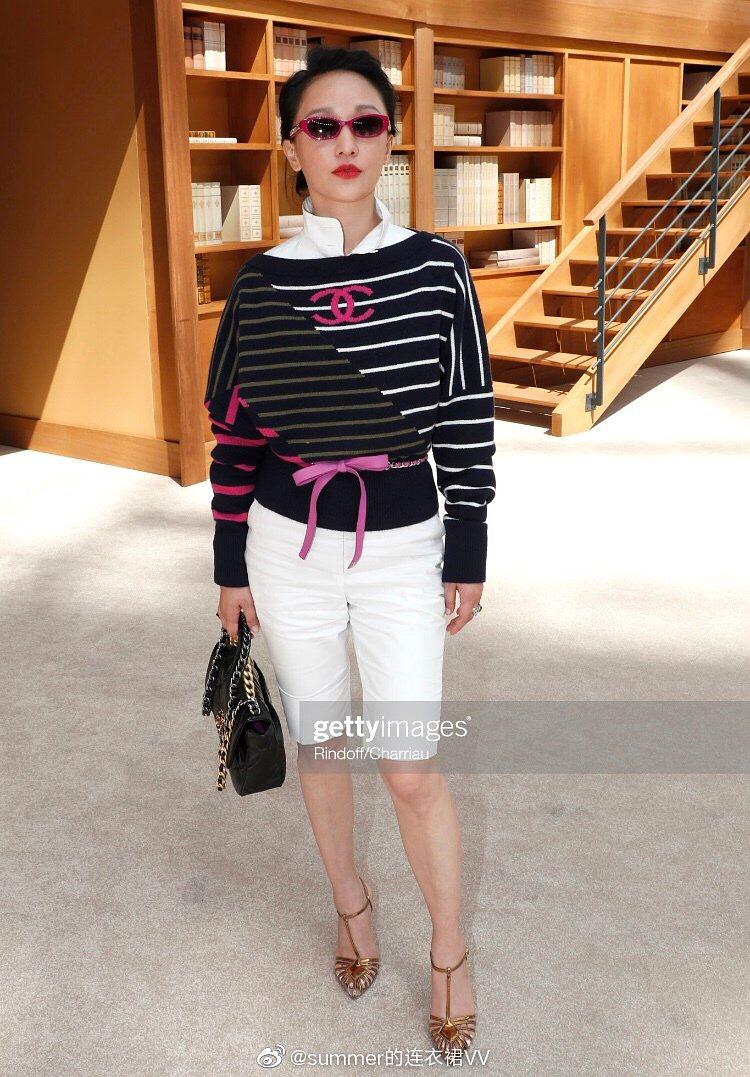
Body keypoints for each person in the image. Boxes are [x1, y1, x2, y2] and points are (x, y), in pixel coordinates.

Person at [204, 44, 496, 1056]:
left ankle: (449, 949)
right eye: (320, 125)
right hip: (286, 548)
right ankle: (352, 905)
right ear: (292, 147)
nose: (344, 141)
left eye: (365, 122)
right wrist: (230, 566)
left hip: (403, 545)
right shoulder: (260, 285)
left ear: (389, 141)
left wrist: (469, 542)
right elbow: (236, 439)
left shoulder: (436, 268)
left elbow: (465, 412)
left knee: (410, 767)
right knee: (323, 742)